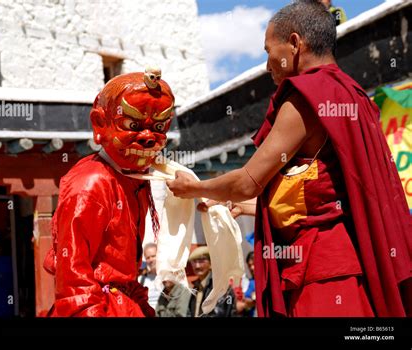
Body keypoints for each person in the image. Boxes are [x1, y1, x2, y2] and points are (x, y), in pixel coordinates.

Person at [167, 0, 411, 317]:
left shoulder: (306, 96)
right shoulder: (353, 95)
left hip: (324, 276)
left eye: (269, 50)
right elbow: (321, 195)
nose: (268, 65)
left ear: (294, 43)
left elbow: (247, 181)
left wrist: (194, 187)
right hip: (349, 266)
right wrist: (244, 208)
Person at [44, 67, 175, 317]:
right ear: (100, 124)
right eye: (132, 124)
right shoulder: (92, 182)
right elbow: (74, 280)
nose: (149, 138)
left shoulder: (132, 178)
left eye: (159, 126)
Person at [186, 246, 237, 317]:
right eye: (194, 261)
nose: (197, 266)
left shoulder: (219, 286)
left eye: (201, 261)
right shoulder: (196, 286)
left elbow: (219, 313)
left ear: (211, 263)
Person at [138, 243, 162, 310]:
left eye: (153, 256)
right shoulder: (141, 280)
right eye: (148, 258)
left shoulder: (167, 277)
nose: (151, 260)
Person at [236, 252, 256, 317]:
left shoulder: (265, 282)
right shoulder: (248, 282)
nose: (252, 268)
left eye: (254, 264)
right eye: (249, 265)